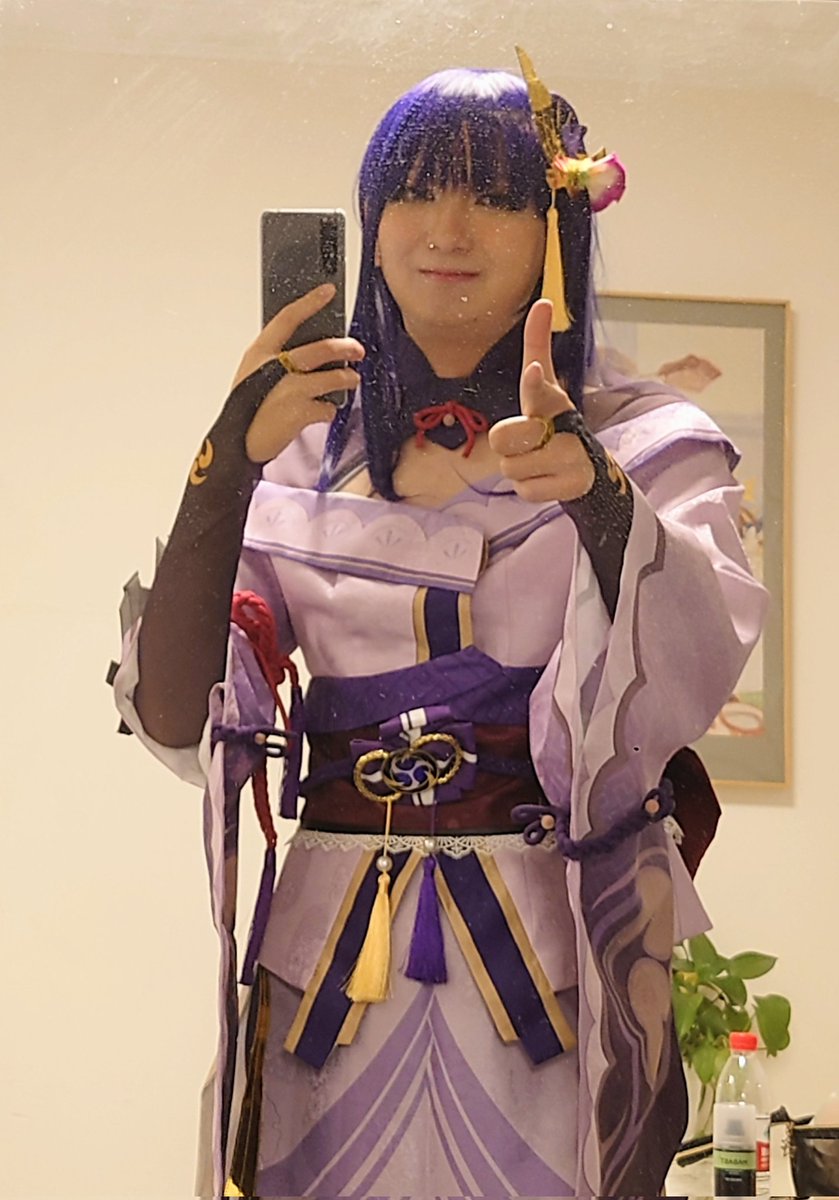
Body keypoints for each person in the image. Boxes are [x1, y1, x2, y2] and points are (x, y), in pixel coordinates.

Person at [112, 55, 766, 1198]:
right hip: (328, 968)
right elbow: (178, 717)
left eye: (495, 194)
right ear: (369, 224)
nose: (446, 229)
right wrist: (222, 469)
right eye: (413, 191)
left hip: (556, 957)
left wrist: (600, 500)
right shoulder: (296, 448)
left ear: (558, 224)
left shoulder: (649, 441)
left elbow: (691, 668)